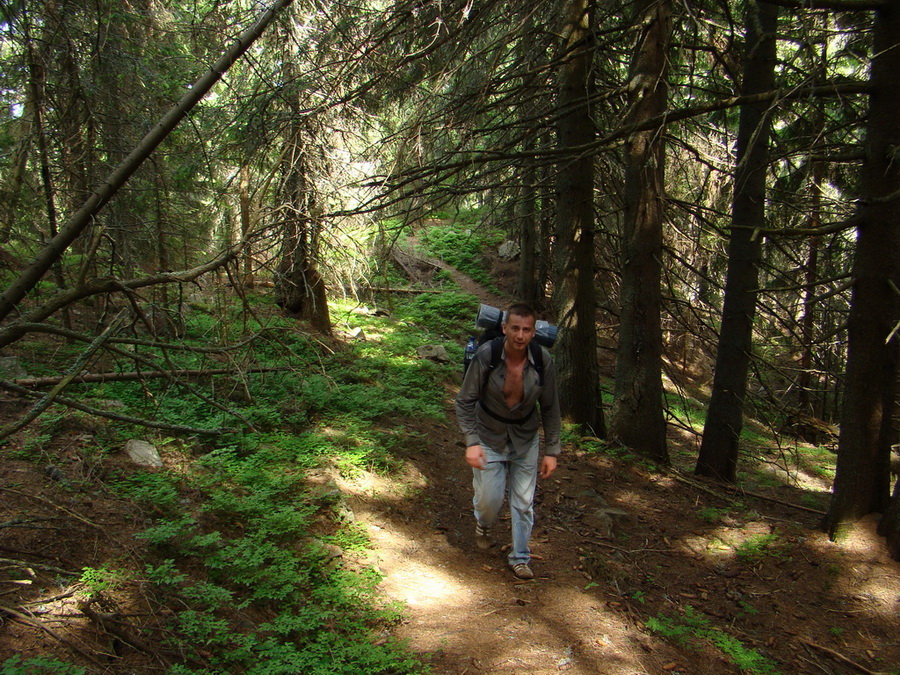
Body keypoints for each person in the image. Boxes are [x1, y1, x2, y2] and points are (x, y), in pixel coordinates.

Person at [455, 303, 561, 580]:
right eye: (515, 328)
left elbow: (550, 407)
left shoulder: (542, 360)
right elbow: (465, 400)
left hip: (526, 439)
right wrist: (472, 441)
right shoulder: (487, 355)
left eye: (526, 329)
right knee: (489, 501)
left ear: (534, 332)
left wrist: (551, 450)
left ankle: (521, 557)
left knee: (523, 502)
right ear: (504, 328)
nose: (520, 335)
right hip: (488, 434)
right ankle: (483, 523)